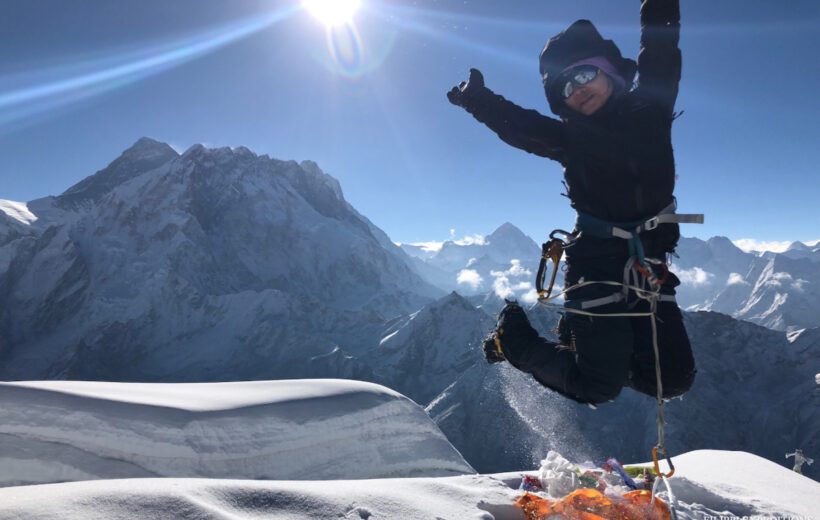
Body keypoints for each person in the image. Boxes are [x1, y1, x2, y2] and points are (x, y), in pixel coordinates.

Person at [447, 0, 696, 405]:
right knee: (596, 386)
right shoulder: (571, 139)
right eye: (564, 86)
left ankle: (579, 339)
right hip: (596, 263)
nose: (577, 88)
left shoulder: (652, 106)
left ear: (611, 70)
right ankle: (513, 339)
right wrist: (477, 100)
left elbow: (660, 46)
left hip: (648, 261)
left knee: (673, 380)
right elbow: (521, 127)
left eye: (583, 73)